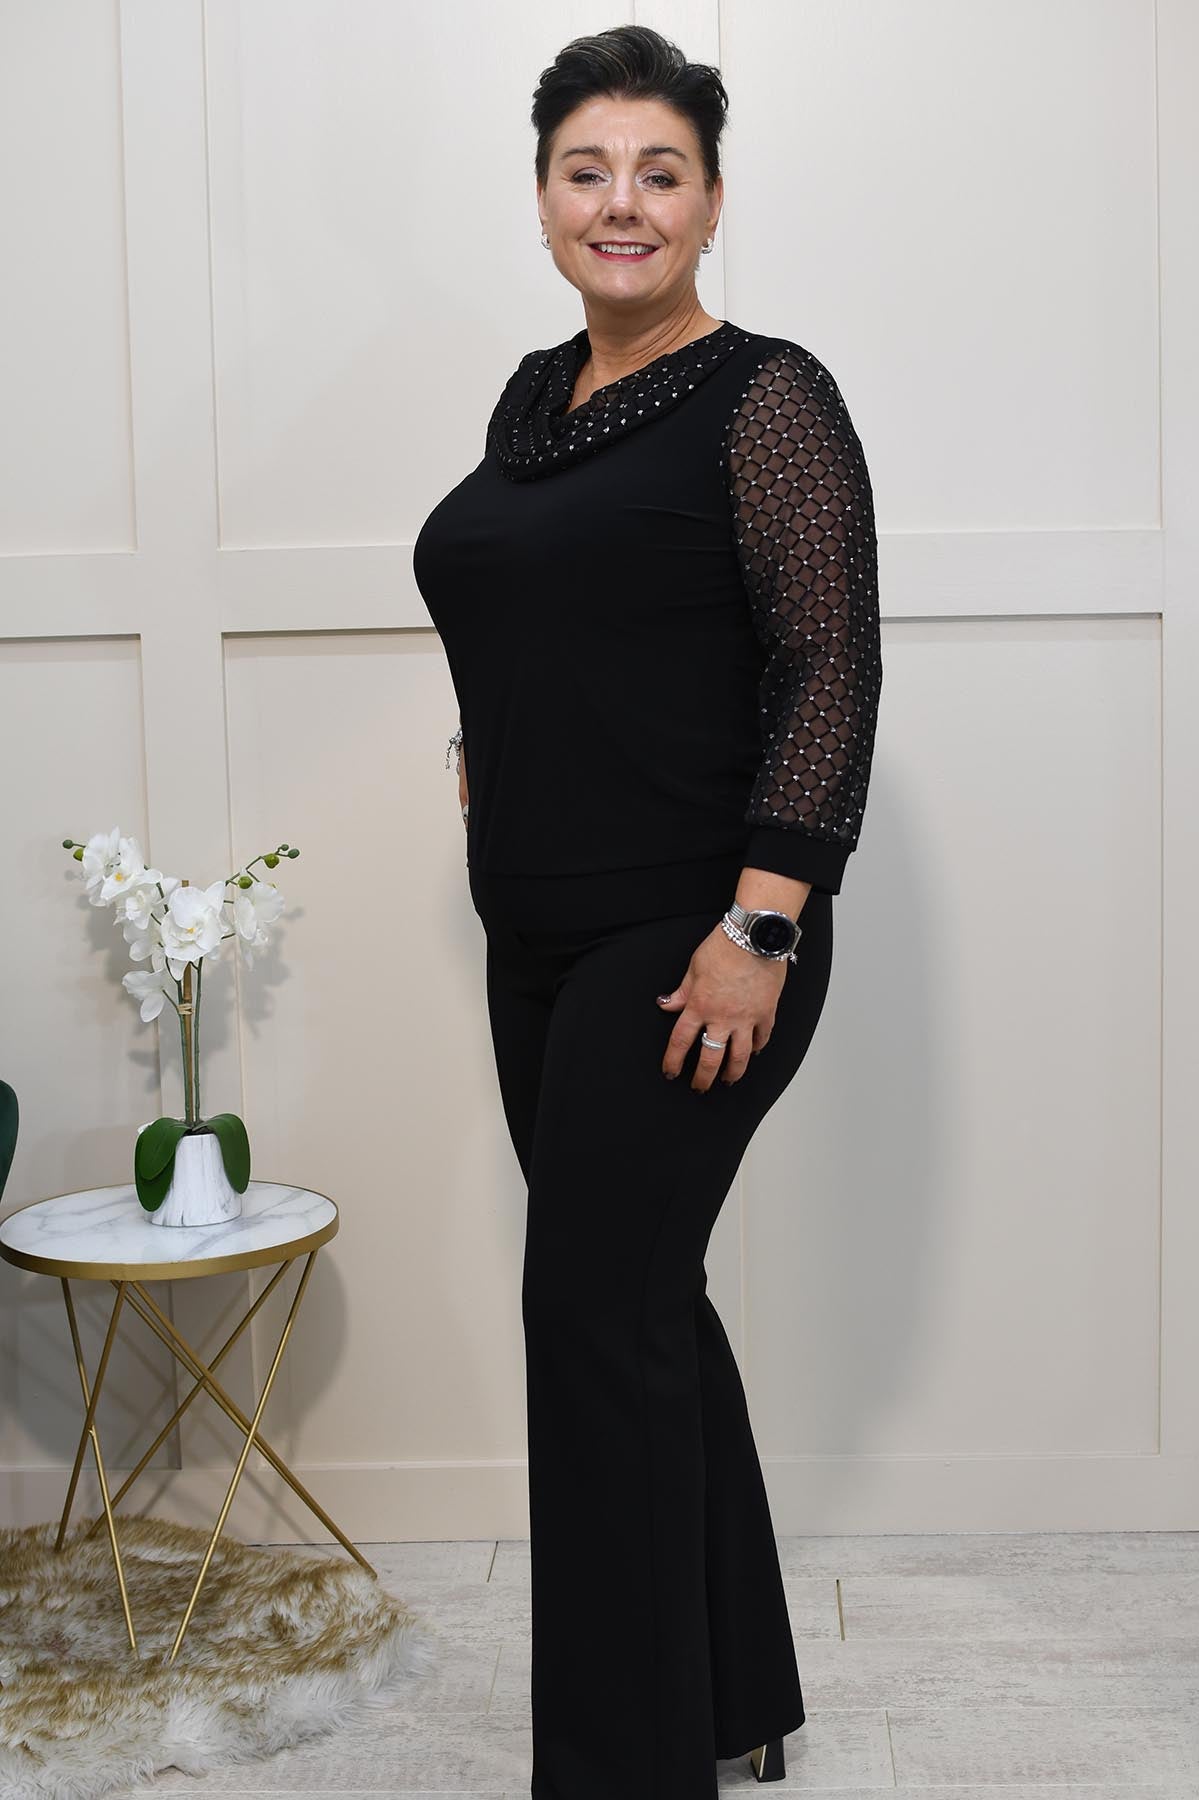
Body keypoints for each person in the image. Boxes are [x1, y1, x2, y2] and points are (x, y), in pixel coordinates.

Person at [413, 23, 883, 1800]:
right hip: (534, 938)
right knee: (639, 1308)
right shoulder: (536, 405)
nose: (623, 202)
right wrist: (490, 755)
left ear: (710, 201)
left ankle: (624, 1770)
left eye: (660, 172)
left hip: (693, 941)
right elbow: (543, 617)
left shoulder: (767, 395)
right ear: (544, 198)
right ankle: (734, 1689)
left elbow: (830, 663)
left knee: (592, 1325)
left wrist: (760, 930)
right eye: (587, 169)